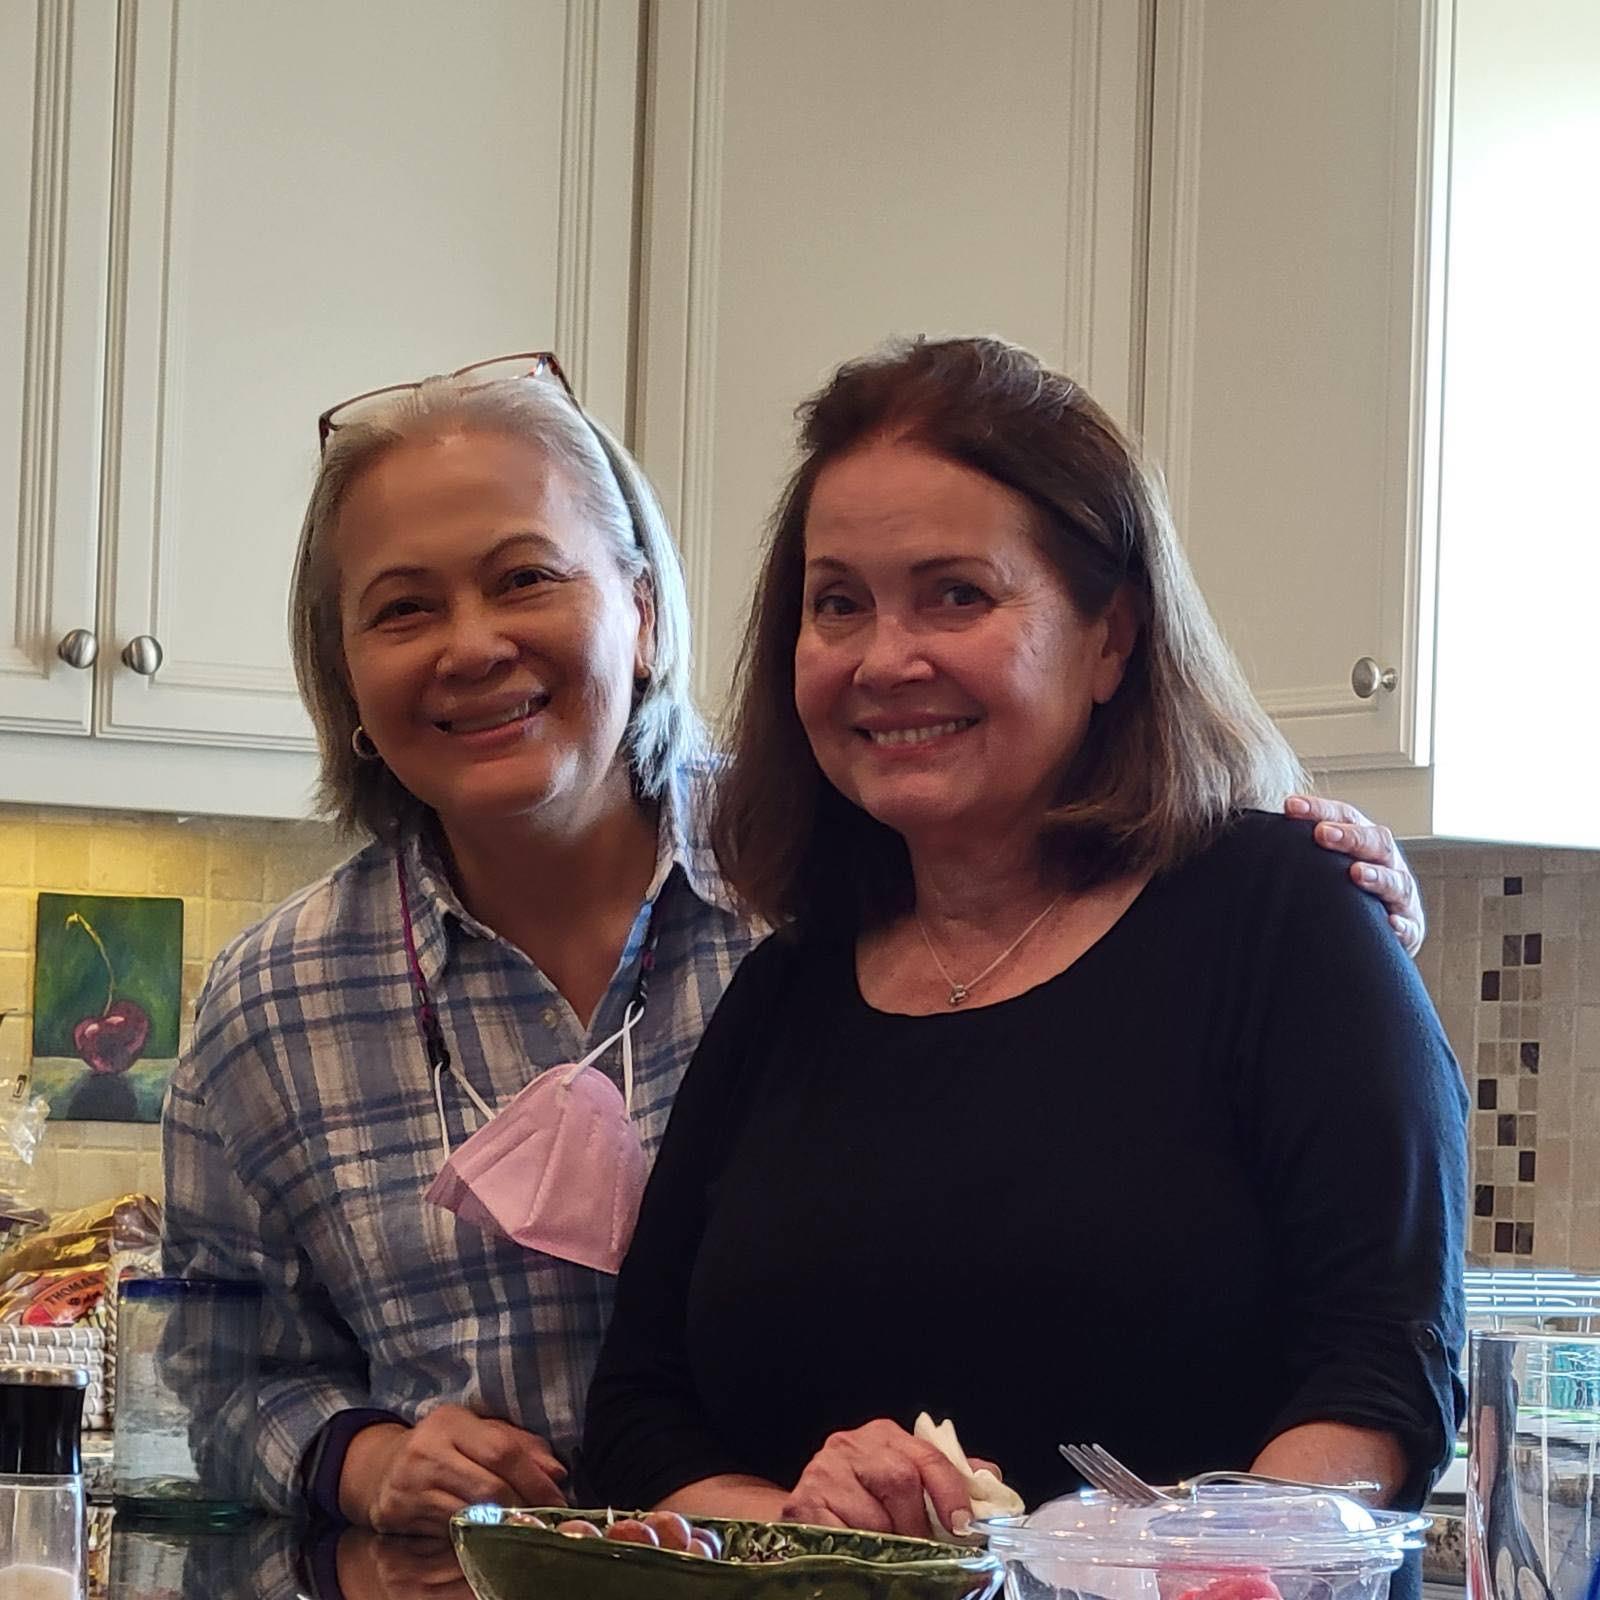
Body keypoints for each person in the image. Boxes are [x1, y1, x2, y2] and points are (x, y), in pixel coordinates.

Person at [160, 350, 1428, 1536]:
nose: (473, 642)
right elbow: (221, 1380)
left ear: (643, 614)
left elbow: (1379, 1359)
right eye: (400, 607)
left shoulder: (797, 894)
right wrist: (359, 1455)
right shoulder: (797, 964)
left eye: (527, 575)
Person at [581, 338, 1467, 1558]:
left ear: (1110, 639)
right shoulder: (783, 992)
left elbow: (1382, 1383)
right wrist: (819, 1532)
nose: (886, 659)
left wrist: (1154, 1574)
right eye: (837, 601)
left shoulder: (1283, 919)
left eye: (957, 593)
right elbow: (636, 1425)